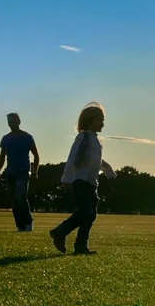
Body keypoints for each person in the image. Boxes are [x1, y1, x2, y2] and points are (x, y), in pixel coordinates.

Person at [49, 102, 117, 255]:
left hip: (92, 183)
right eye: (99, 120)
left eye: (103, 120)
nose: (102, 123)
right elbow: (72, 158)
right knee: (85, 212)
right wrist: (66, 178)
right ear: (89, 122)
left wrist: (108, 171)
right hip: (80, 181)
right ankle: (60, 232)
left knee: (91, 214)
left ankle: (80, 246)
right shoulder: (83, 138)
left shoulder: (97, 140)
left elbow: (96, 160)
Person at [0, 113, 40, 232]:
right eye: (9, 121)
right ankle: (20, 226)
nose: (11, 123)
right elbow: (2, 156)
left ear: (19, 121)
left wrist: (35, 171)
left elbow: (36, 156)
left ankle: (28, 223)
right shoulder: (6, 138)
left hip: (23, 172)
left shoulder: (27, 137)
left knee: (20, 196)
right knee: (14, 200)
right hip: (10, 173)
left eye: (14, 121)